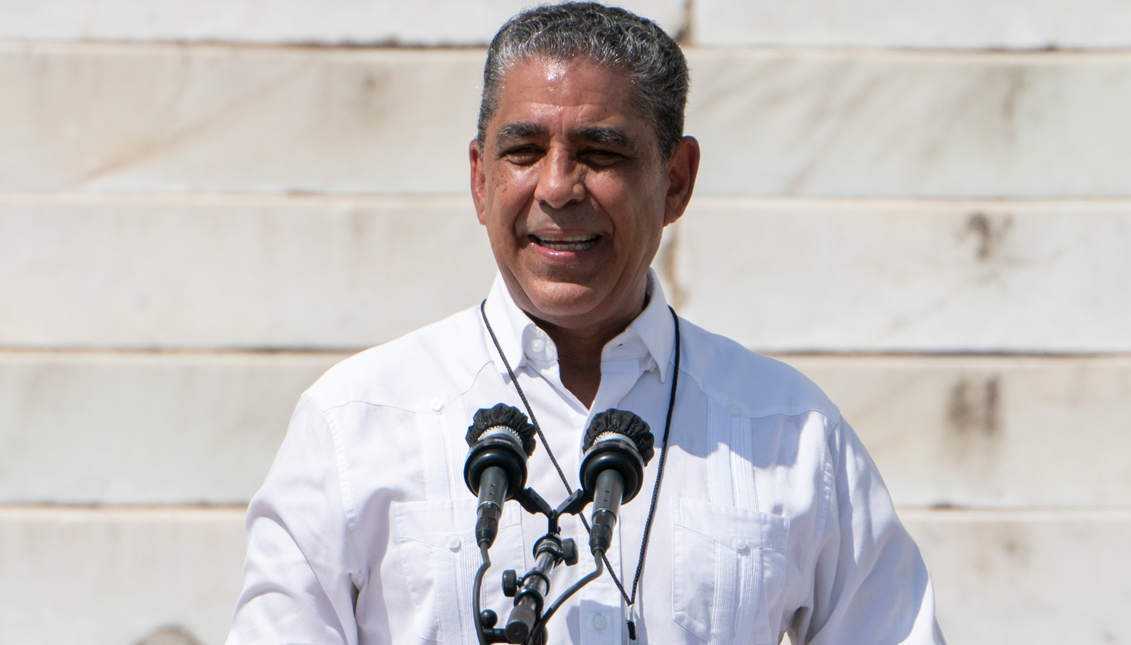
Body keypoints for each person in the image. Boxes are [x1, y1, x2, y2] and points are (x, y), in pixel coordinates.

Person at [227, 3, 945, 644]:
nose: (558, 187)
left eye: (600, 154)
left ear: (676, 181)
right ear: (480, 180)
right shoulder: (355, 421)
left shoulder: (789, 431)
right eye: (523, 151)